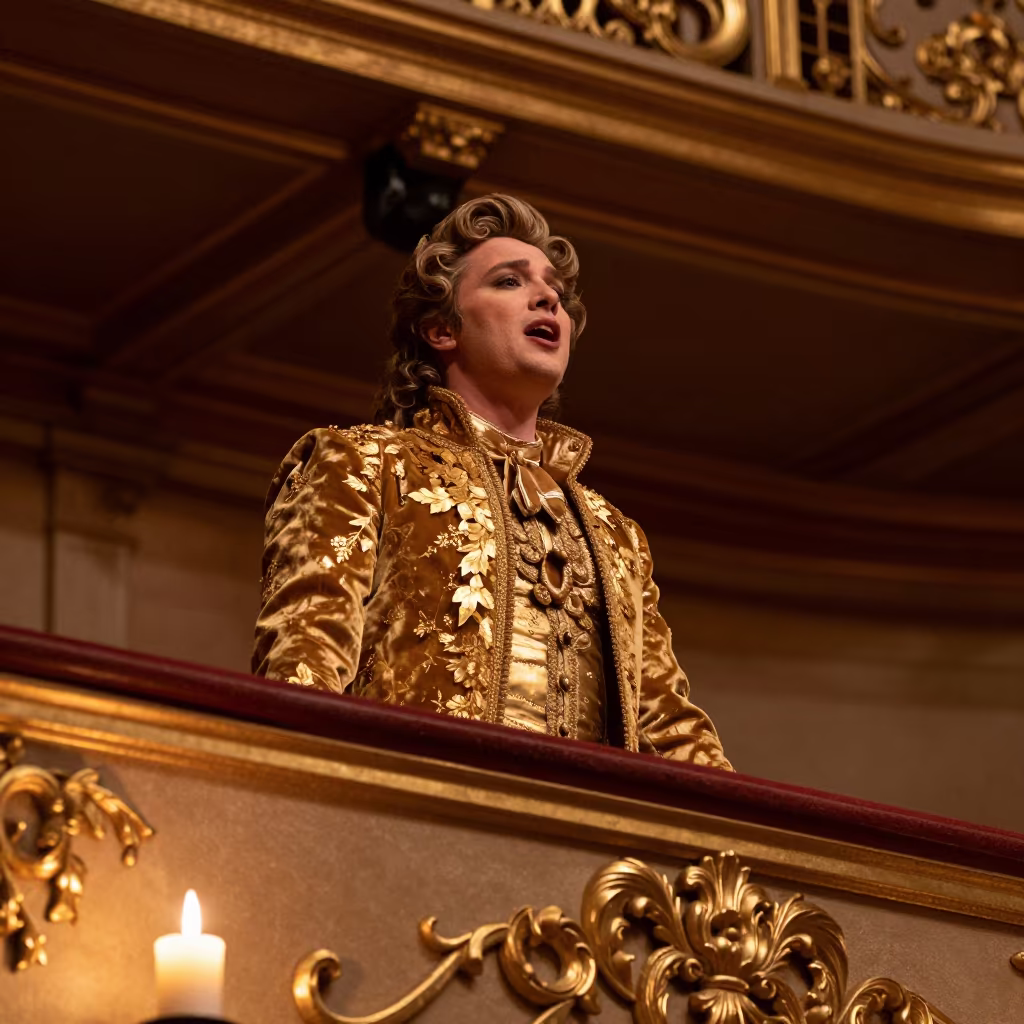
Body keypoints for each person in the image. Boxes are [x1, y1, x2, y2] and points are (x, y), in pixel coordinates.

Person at [252, 195, 732, 768]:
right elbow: (304, 669)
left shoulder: (615, 534)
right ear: (440, 329)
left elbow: (670, 728)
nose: (548, 297)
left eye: (555, 290)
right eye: (508, 281)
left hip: (587, 846)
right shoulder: (364, 464)